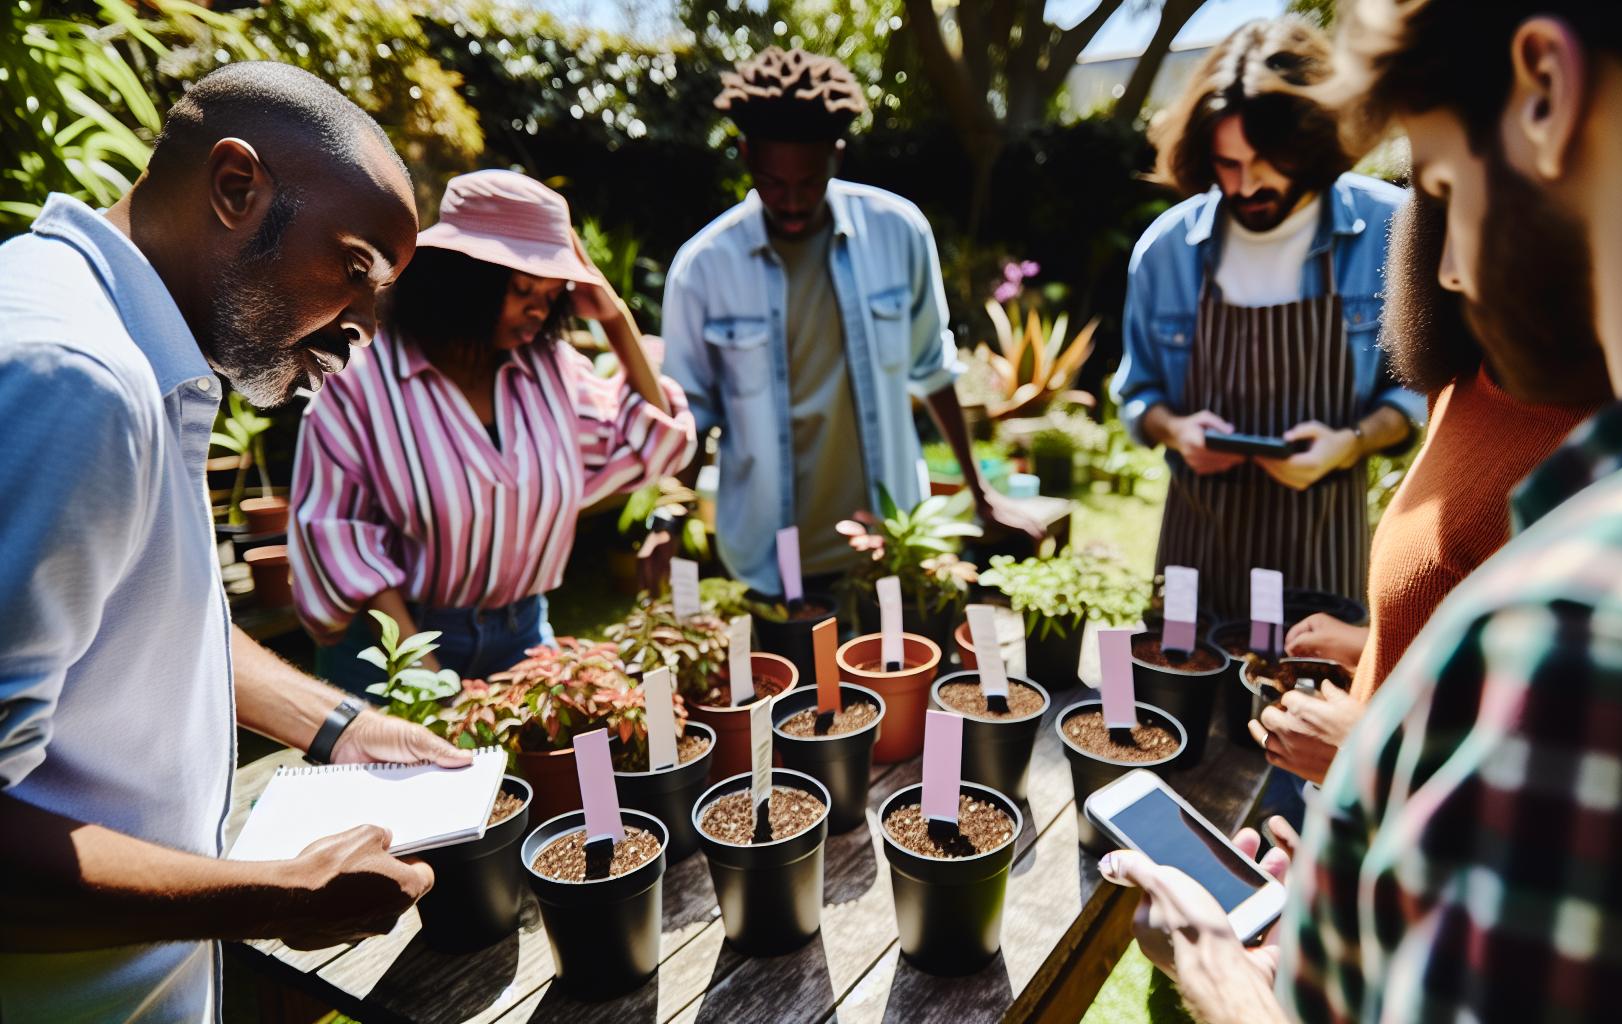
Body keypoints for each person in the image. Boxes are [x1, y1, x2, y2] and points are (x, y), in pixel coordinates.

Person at [1113, 1, 1622, 1019]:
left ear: (1546, 93)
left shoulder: (1604, 629)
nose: (1440, 267)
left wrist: (1218, 974)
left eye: (1438, 182)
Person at [0, 63, 471, 1022]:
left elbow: (141, 618)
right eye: (355, 268)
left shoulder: (117, 339)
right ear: (233, 187)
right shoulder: (78, 379)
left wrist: (341, 726)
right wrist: (277, 897)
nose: (364, 329)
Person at [290, 169, 696, 694]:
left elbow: (659, 443)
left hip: (521, 635)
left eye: (553, 294)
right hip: (396, 645)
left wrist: (614, 316)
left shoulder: (551, 372)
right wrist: (430, 684)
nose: (538, 310)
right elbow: (340, 539)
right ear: (463, 281)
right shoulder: (360, 386)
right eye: (522, 289)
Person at [1259, 191, 1608, 784]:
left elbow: (1564, 770)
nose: (1448, 268)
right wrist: (1375, 644)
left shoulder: (1603, 453)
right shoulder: (1466, 385)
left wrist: (1367, 757)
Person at [661, 47, 1036, 597]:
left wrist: (981, 495)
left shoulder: (899, 232)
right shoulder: (704, 268)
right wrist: (669, 517)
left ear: (836, 156)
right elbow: (691, 414)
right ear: (745, 156)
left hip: (890, 544)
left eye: (809, 182)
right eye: (773, 183)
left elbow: (933, 370)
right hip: (771, 558)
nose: (792, 203)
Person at [1114, 17, 1424, 620]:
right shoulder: (1166, 251)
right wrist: (1175, 430)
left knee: (1306, 684)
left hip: (1322, 554)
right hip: (1196, 552)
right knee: (1180, 680)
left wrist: (1349, 443)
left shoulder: (1390, 231)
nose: (1247, 184)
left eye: (1266, 160)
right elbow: (1138, 392)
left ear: (1312, 143)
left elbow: (1417, 391)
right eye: (1227, 164)